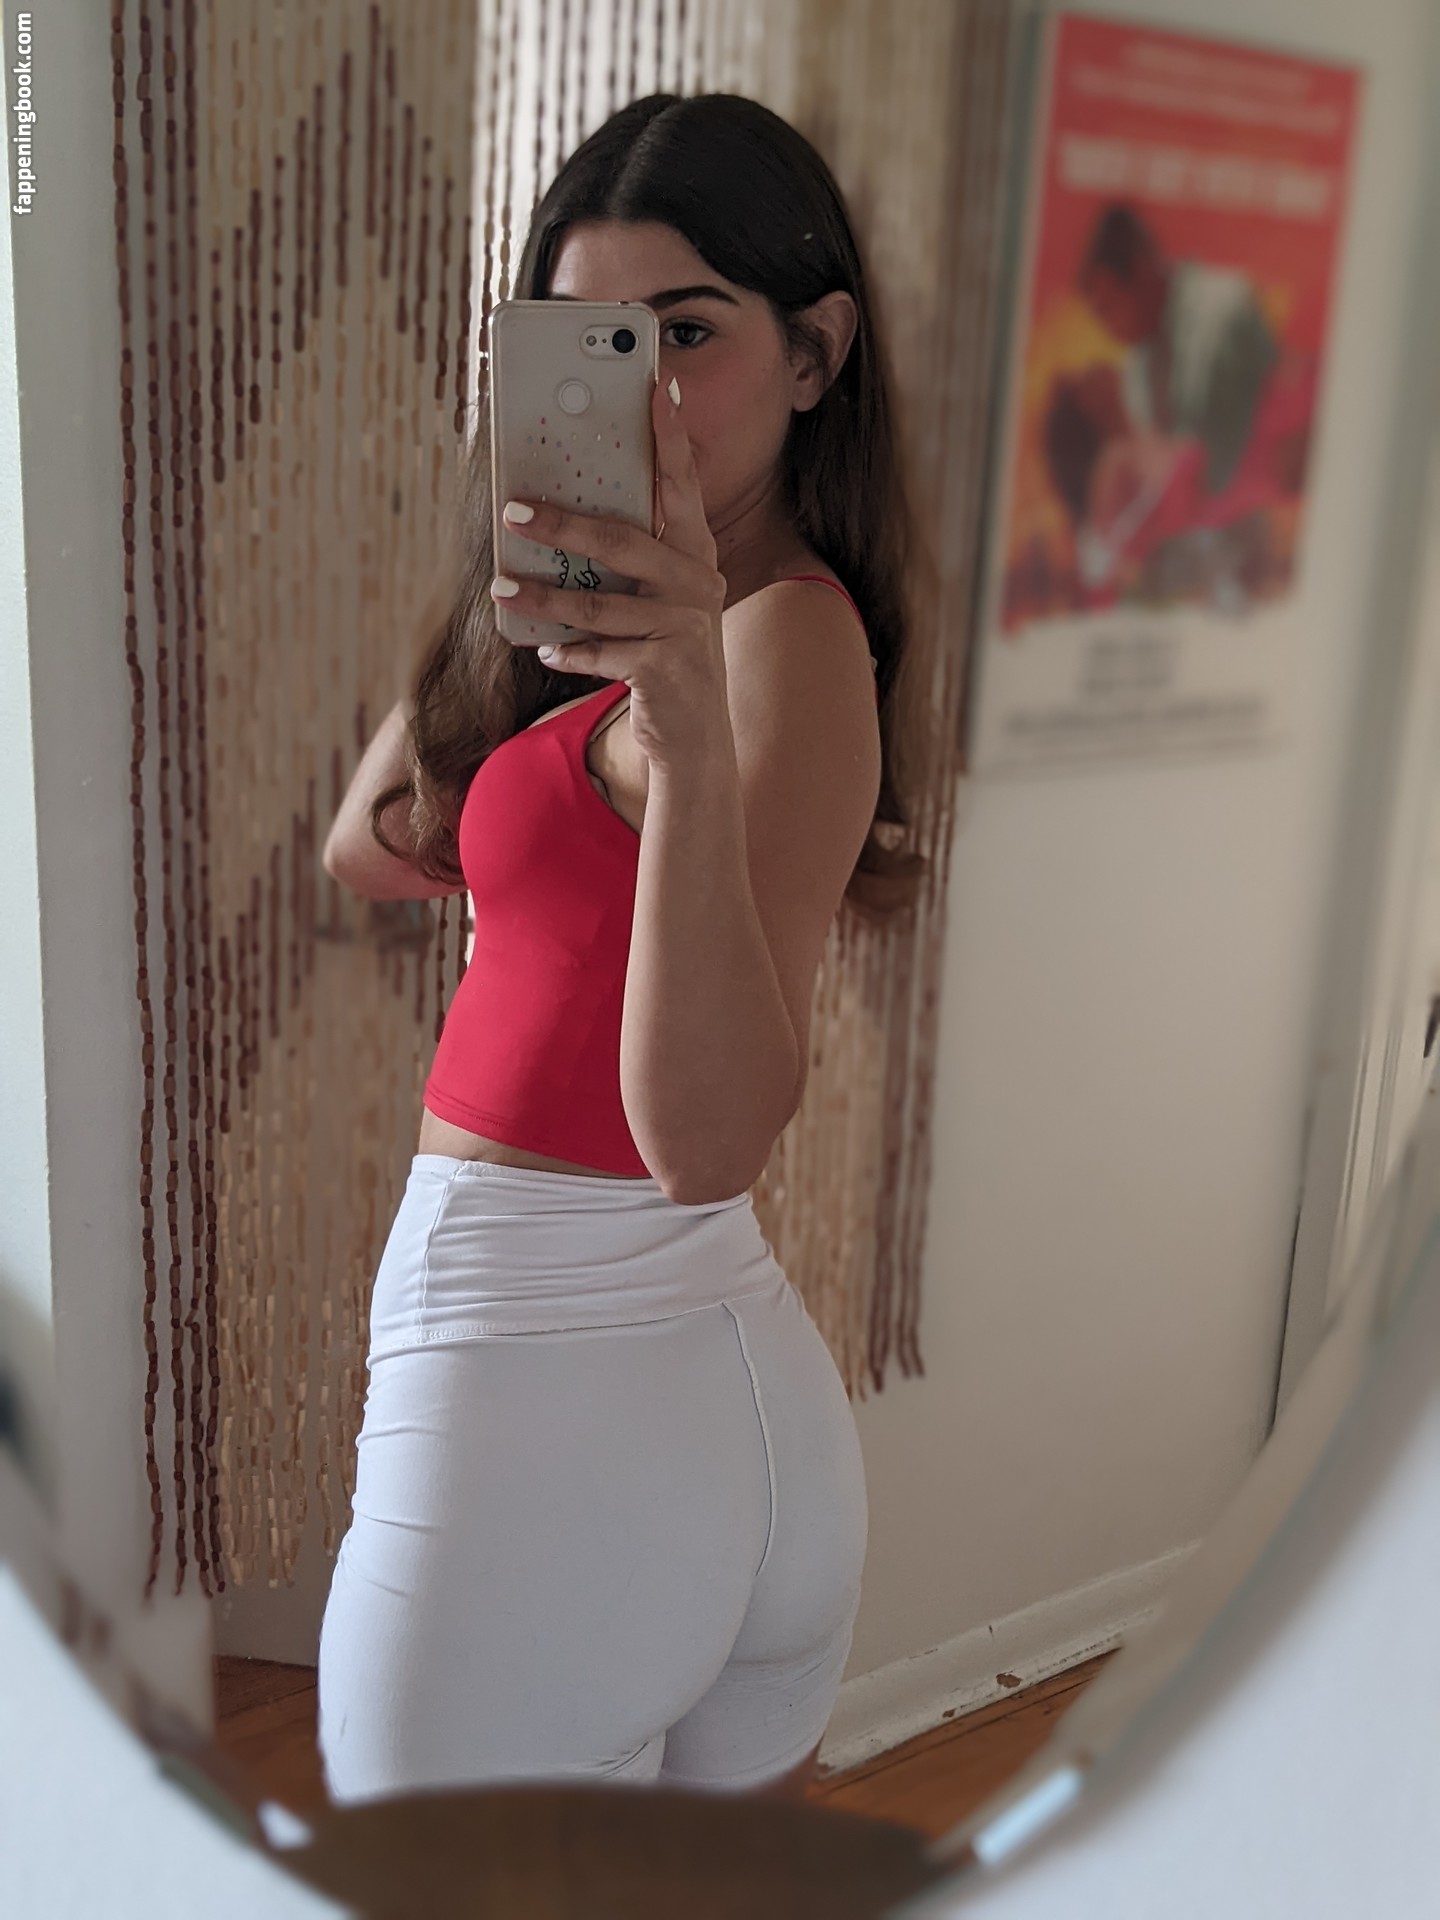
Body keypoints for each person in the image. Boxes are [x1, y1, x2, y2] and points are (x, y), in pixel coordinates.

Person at [315, 92, 921, 1808]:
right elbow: (373, 846)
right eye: (591, 347)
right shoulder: (654, 633)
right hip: (675, 1402)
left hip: (557, 1386)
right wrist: (511, 569)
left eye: (688, 334)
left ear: (817, 355)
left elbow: (706, 1142)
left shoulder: (781, 645)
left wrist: (690, 721)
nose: (641, 393)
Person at [1077, 202, 1280, 499]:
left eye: (1110, 307)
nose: (1111, 329)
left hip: (1245, 505)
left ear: (1140, 266)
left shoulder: (1226, 307)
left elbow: (1269, 425)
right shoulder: (1137, 369)